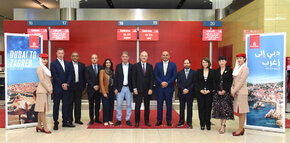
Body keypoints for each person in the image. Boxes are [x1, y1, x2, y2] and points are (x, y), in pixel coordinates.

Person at [50, 48, 74, 130]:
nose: (60, 54)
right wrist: (62, 84)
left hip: (66, 88)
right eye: (59, 53)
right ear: (56, 53)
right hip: (57, 88)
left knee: (65, 106)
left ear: (64, 54)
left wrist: (67, 84)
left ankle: (65, 122)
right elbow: (55, 76)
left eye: (62, 53)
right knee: (56, 106)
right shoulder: (53, 64)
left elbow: (70, 75)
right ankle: (55, 123)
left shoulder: (68, 64)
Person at [154, 51, 177, 127]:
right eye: (163, 55)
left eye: (166, 55)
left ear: (169, 56)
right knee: (159, 105)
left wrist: (167, 83)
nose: (165, 56)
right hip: (160, 88)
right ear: (161, 56)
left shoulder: (173, 65)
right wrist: (161, 82)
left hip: (169, 88)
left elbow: (174, 76)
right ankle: (159, 120)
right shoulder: (157, 65)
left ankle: (168, 120)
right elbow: (156, 75)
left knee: (169, 105)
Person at [212, 56, 234, 134]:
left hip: (226, 93)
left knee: (225, 110)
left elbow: (230, 81)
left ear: (226, 62)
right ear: (218, 62)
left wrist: (225, 90)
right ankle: (222, 124)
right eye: (220, 61)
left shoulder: (229, 70)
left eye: (223, 61)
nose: (221, 62)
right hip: (217, 94)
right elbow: (214, 82)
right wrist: (218, 90)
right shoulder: (216, 71)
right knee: (220, 110)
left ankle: (222, 125)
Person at [132, 51, 154, 127]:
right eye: (142, 56)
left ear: (147, 57)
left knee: (147, 106)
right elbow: (133, 78)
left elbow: (152, 78)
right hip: (138, 90)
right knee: (137, 106)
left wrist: (151, 88)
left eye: (145, 56)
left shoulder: (150, 66)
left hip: (147, 90)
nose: (144, 57)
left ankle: (146, 121)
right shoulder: (135, 66)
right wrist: (134, 88)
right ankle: (137, 121)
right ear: (140, 57)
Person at [231, 53, 249, 136]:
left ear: (244, 59)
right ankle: (241, 128)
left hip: (242, 92)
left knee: (242, 111)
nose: (239, 60)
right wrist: (232, 89)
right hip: (236, 92)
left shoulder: (245, 68)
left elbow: (241, 82)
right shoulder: (237, 68)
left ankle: (240, 129)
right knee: (239, 111)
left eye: (240, 58)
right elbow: (234, 81)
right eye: (237, 58)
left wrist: (234, 90)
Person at [114, 51, 133, 127]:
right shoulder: (118, 66)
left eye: (126, 56)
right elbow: (116, 78)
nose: (125, 58)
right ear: (121, 57)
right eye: (123, 56)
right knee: (119, 104)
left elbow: (133, 78)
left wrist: (134, 88)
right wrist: (115, 88)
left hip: (129, 88)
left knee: (129, 104)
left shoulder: (132, 66)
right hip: (120, 88)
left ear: (128, 57)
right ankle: (119, 119)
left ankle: (128, 119)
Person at [35, 53, 52, 134]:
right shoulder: (40, 68)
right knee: (42, 110)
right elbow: (42, 81)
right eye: (43, 59)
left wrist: (50, 88)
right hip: (42, 91)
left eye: (46, 59)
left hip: (45, 91)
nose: (45, 60)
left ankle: (39, 125)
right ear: (40, 59)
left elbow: (48, 80)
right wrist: (49, 89)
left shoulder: (45, 68)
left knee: (41, 109)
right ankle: (44, 127)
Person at [176, 59, 196, 129]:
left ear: (190, 64)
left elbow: (194, 83)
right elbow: (178, 83)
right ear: (183, 64)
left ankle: (189, 122)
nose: (186, 64)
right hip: (182, 92)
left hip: (190, 93)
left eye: (187, 63)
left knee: (189, 108)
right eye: (185, 63)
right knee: (181, 108)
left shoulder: (194, 72)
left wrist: (188, 89)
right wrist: (183, 89)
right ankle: (181, 121)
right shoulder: (180, 72)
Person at [195, 57, 214, 130]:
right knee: (201, 108)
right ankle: (202, 124)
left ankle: (208, 123)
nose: (205, 64)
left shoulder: (212, 72)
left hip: (209, 93)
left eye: (206, 62)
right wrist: (200, 90)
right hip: (200, 93)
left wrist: (210, 90)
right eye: (203, 62)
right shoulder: (198, 71)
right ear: (201, 63)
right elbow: (196, 82)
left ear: (208, 63)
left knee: (208, 109)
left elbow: (214, 83)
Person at [68, 52, 86, 125]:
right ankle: (70, 120)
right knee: (70, 104)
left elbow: (84, 77)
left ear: (78, 57)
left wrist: (84, 87)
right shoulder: (68, 65)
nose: (75, 57)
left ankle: (78, 119)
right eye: (74, 56)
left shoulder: (82, 65)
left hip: (79, 86)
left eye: (76, 56)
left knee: (78, 104)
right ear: (71, 57)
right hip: (71, 87)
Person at [85, 54, 102, 125]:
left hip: (98, 89)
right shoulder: (87, 68)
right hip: (91, 90)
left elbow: (102, 78)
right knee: (91, 105)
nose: (94, 59)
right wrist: (93, 86)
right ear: (91, 59)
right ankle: (91, 119)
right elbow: (87, 79)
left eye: (95, 58)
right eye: (92, 58)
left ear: (98, 59)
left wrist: (98, 86)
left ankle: (97, 118)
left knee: (97, 104)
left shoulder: (101, 67)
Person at [99, 58, 115, 126]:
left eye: (109, 63)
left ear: (111, 64)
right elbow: (101, 82)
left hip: (112, 90)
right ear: (105, 64)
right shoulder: (102, 71)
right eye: (107, 63)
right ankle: (105, 120)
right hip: (105, 90)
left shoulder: (112, 71)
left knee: (111, 105)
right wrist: (104, 92)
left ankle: (109, 120)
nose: (108, 64)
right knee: (105, 106)